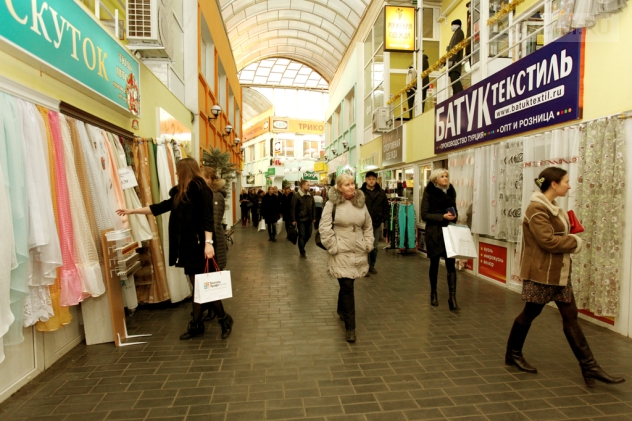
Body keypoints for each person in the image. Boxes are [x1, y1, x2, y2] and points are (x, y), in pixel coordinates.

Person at [505, 167, 625, 387]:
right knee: (530, 313)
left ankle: (589, 367)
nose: (569, 186)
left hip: (558, 273)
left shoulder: (551, 207)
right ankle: (513, 354)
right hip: (542, 273)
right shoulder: (537, 209)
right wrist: (575, 242)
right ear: (554, 184)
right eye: (566, 181)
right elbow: (548, 242)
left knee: (570, 315)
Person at [116, 158, 234, 340]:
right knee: (198, 287)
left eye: (178, 170)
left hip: (200, 245)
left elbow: (207, 218)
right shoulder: (180, 192)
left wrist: (208, 243)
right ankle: (200, 324)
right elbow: (161, 207)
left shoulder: (201, 190)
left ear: (185, 170)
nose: (176, 173)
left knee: (204, 286)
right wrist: (132, 211)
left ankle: (222, 319)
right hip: (187, 247)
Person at [319, 174, 374, 342]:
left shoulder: (360, 203)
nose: (351, 187)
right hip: (340, 251)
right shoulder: (332, 204)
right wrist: (333, 246)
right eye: (347, 185)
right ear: (339, 188)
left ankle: (341, 309)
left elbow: (368, 225)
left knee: (348, 284)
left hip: (358, 250)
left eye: (352, 184)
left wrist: (368, 244)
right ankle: (351, 328)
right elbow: (324, 227)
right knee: (348, 286)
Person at [420, 168, 459, 310]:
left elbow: (454, 209)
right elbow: (424, 215)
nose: (445, 178)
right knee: (434, 263)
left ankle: (452, 298)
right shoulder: (429, 191)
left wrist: (454, 216)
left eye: (446, 176)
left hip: (449, 231)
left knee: (451, 264)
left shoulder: (451, 191)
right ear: (435, 179)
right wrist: (442, 216)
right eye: (442, 176)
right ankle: (433, 293)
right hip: (434, 232)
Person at [360, 171, 389, 275]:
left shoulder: (381, 192)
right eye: (369, 179)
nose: (371, 181)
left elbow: (386, 206)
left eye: (373, 179)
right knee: (364, 245)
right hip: (363, 223)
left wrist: (383, 217)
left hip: (376, 222)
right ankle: (364, 266)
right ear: (366, 180)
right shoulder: (360, 192)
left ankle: (371, 265)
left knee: (374, 246)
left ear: (376, 180)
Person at [290, 180, 316, 258]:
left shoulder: (310, 195)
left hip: (309, 218)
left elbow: (313, 206)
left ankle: (301, 246)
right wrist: (293, 219)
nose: (309, 186)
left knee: (309, 234)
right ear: (303, 186)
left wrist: (314, 217)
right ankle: (302, 251)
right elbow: (293, 208)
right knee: (302, 235)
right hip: (301, 219)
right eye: (307, 185)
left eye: (309, 185)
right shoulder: (296, 196)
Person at [447, 19, 465, 95]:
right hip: (453, 61)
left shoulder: (459, 33)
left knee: (455, 78)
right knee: (453, 79)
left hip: (455, 61)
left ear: (456, 25)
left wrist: (453, 60)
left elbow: (456, 48)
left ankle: (459, 94)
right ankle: (457, 94)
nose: (451, 27)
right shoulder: (456, 33)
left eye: (452, 25)